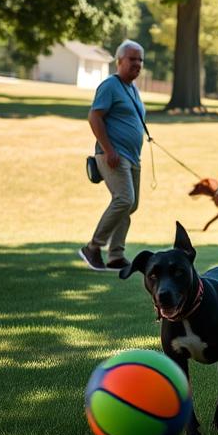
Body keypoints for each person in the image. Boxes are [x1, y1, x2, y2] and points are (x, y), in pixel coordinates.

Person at [79, 40, 146, 271]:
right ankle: (93, 247)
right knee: (124, 199)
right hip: (114, 155)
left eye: (140, 60)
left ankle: (116, 255)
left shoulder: (132, 88)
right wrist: (109, 150)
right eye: (132, 59)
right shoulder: (110, 85)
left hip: (132, 156)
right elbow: (94, 117)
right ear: (119, 61)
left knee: (131, 204)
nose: (137, 64)